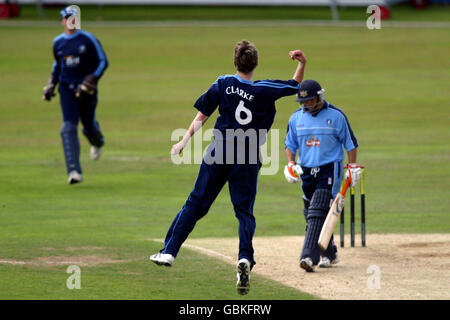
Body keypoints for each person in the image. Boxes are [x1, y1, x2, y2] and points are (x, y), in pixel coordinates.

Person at [150, 40, 307, 295]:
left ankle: (169, 252)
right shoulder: (266, 89)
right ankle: (244, 258)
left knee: (195, 203)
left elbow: (203, 114)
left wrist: (184, 140)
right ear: (255, 64)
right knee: (244, 212)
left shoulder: (223, 82)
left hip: (219, 150)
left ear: (235, 63)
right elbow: (296, 86)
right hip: (248, 154)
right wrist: (301, 63)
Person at [283, 80, 361, 272]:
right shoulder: (295, 119)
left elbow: (351, 144)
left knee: (319, 207)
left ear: (319, 96)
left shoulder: (336, 116)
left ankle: (309, 255)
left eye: (311, 100)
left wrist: (351, 167)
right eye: (305, 102)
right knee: (311, 211)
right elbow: (289, 145)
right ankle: (329, 252)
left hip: (329, 166)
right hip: (306, 169)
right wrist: (291, 164)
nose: (308, 104)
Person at [42, 6, 108, 184]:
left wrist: (91, 80)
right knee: (68, 128)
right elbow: (57, 67)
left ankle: (98, 141)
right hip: (67, 90)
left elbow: (103, 61)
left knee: (88, 126)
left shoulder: (88, 39)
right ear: (63, 21)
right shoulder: (58, 42)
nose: (71, 21)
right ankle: (73, 171)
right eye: (67, 18)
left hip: (87, 91)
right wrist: (50, 85)